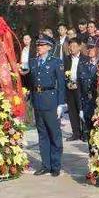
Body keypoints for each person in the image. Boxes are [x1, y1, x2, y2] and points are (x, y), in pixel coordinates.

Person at [27, 34, 66, 176]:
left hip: (50, 100)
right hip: (37, 99)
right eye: (38, 45)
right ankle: (46, 165)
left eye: (42, 45)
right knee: (42, 134)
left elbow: (61, 84)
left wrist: (61, 104)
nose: (39, 47)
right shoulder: (32, 62)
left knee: (54, 134)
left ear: (49, 47)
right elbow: (29, 81)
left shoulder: (56, 62)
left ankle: (55, 165)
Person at [64, 38, 88, 141]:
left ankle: (85, 133)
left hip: (81, 88)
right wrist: (67, 82)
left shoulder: (84, 59)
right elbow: (64, 73)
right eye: (70, 46)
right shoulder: (67, 59)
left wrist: (78, 84)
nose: (72, 48)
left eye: (74, 46)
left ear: (79, 47)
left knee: (82, 109)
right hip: (70, 88)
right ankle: (76, 133)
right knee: (72, 110)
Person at [79, 38, 99, 150]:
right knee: (89, 131)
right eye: (88, 48)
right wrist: (80, 107)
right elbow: (79, 88)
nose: (90, 50)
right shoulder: (82, 64)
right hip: (86, 102)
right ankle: (92, 155)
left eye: (92, 48)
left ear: (97, 49)